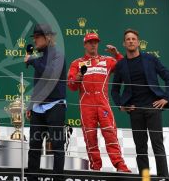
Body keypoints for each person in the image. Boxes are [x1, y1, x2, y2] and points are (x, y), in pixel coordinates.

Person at [111, 29, 169, 178]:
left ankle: (163, 177)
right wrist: (121, 105)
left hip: (153, 108)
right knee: (140, 148)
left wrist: (166, 98)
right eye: (128, 39)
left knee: (157, 144)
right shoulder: (121, 65)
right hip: (135, 110)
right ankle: (145, 178)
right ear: (124, 44)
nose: (131, 41)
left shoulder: (150, 59)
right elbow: (114, 90)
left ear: (138, 42)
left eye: (133, 39)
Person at [67, 33, 130, 172]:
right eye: (90, 42)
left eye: (95, 42)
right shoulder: (76, 63)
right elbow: (71, 86)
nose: (93, 44)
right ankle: (95, 168)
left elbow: (125, 68)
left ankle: (120, 165)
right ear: (85, 44)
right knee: (90, 137)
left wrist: (117, 54)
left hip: (103, 103)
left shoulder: (107, 60)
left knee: (110, 134)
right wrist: (78, 77)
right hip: (86, 105)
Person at [24, 24, 66, 181]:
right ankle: (32, 179)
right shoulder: (40, 58)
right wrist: (30, 105)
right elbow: (39, 84)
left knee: (57, 145)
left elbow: (51, 74)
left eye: (37, 37)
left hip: (55, 105)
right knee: (34, 147)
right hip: (38, 108)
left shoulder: (58, 55)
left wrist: (33, 61)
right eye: (34, 37)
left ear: (47, 37)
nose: (34, 40)